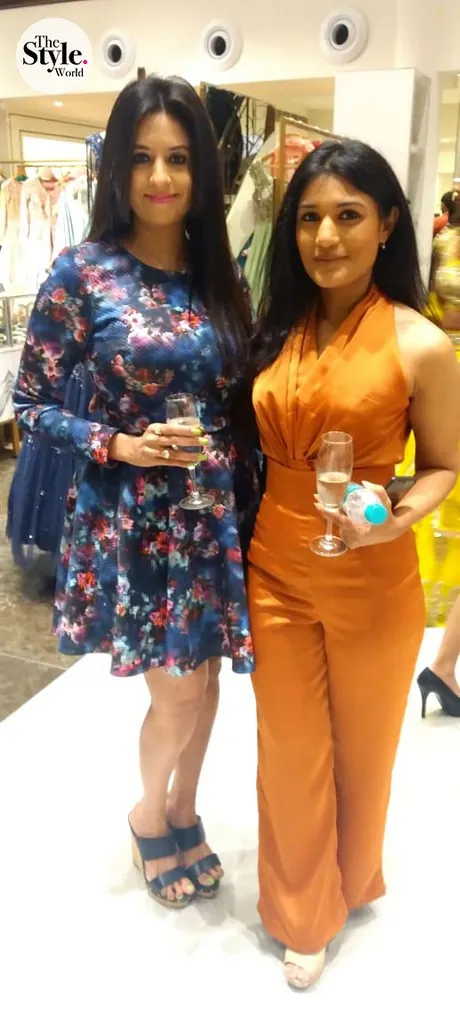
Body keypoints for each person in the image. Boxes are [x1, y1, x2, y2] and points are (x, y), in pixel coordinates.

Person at [14, 74, 256, 910]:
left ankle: (186, 809)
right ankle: (149, 813)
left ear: (202, 173)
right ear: (117, 166)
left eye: (179, 159)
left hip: (210, 511)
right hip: (135, 517)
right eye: (143, 158)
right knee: (177, 687)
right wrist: (115, 442)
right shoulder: (83, 272)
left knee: (208, 676)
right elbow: (30, 404)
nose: (161, 177)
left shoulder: (218, 271)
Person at [247, 139, 460, 989]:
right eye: (309, 218)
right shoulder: (275, 328)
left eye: (348, 215)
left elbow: (442, 464)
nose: (326, 236)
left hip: (371, 570)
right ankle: (305, 911)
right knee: (289, 748)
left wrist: (393, 517)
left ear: (388, 224)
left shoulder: (421, 343)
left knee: (364, 751)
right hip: (275, 567)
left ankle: (352, 874)